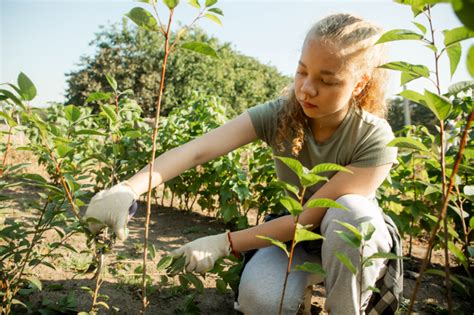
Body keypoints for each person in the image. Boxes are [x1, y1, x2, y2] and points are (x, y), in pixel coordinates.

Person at [85, 13, 403, 314]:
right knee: (259, 301)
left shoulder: (374, 138)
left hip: (347, 239)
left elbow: (310, 217)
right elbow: (198, 150)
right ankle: (300, 298)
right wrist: (128, 188)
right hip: (290, 237)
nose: (307, 88)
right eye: (302, 71)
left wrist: (224, 243)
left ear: (359, 84)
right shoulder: (280, 115)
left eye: (326, 80)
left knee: (352, 212)